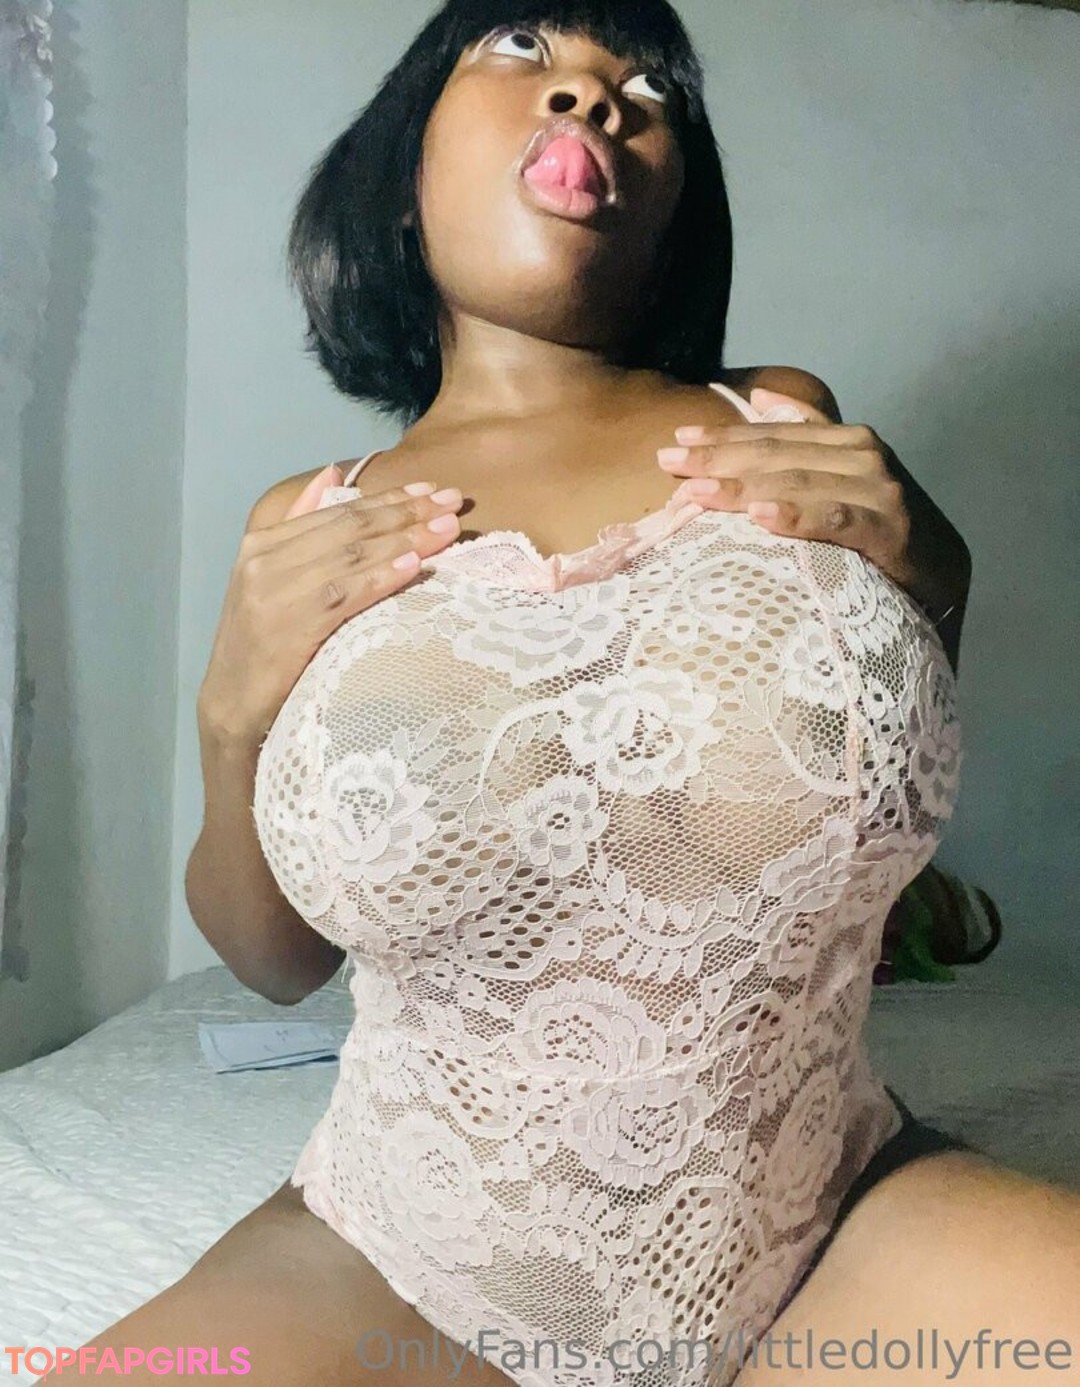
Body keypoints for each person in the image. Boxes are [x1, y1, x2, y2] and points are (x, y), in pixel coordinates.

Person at [67, 3, 1078, 1385]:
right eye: (523, 51)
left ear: (672, 213)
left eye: (644, 86)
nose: (595, 98)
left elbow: (885, 782)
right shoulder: (310, 526)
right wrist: (229, 718)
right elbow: (277, 964)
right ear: (401, 170)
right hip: (404, 1257)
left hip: (825, 1223)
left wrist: (939, 578)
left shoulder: (784, 424)